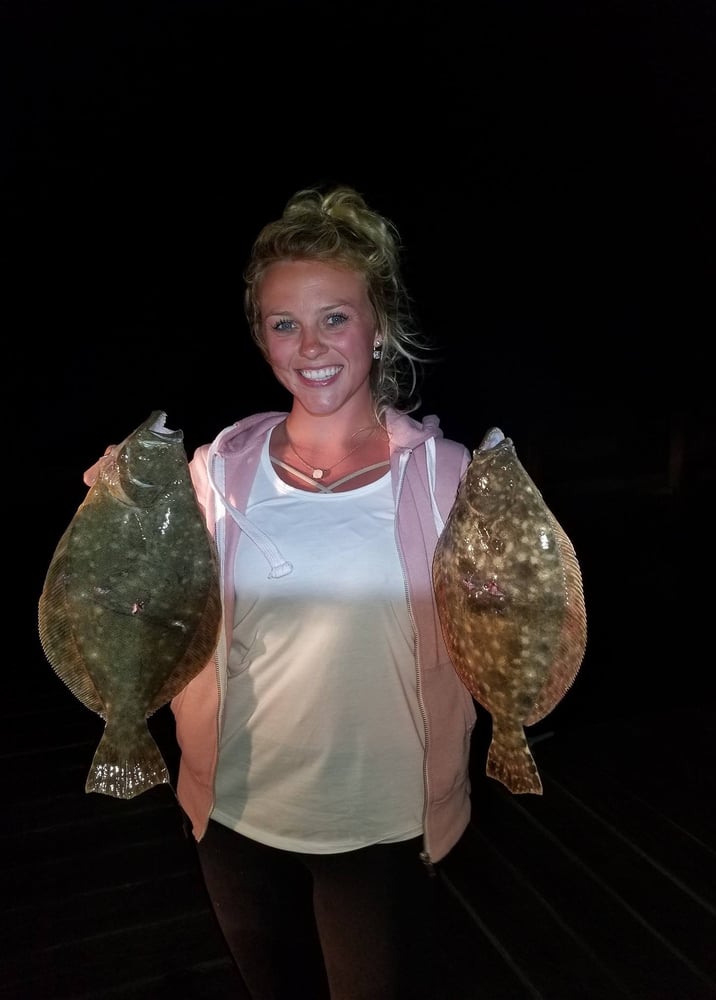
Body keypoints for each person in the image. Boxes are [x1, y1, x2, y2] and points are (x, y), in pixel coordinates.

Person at [86, 184, 477, 1000]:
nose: (311, 346)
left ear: (379, 325)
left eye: (335, 317)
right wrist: (111, 510)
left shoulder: (449, 479)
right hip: (234, 812)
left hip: (385, 822)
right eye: (283, 323)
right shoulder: (210, 472)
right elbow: (140, 604)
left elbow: (507, 620)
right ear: (261, 337)